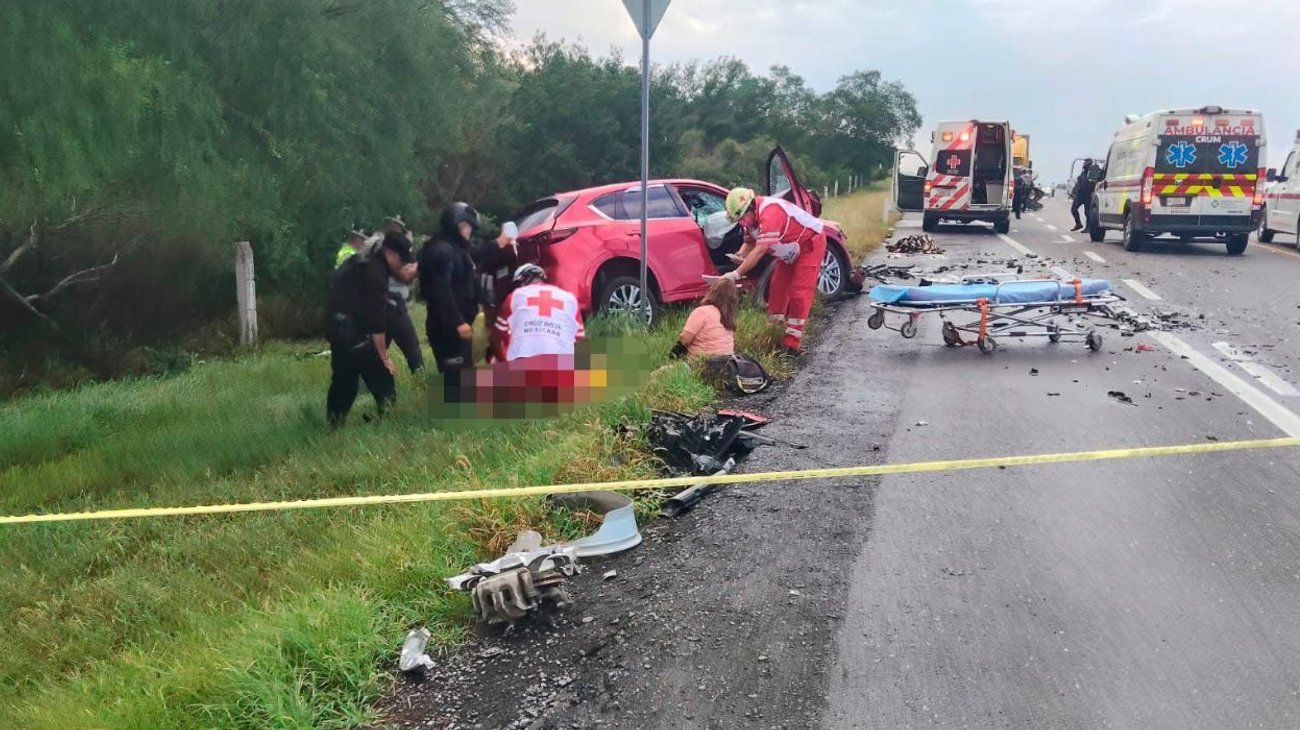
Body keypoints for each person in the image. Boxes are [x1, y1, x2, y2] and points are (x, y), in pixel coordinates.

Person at [720, 186, 825, 354]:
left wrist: (736, 274)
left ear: (751, 208)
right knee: (777, 288)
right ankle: (774, 331)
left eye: (742, 219)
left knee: (799, 292)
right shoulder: (751, 220)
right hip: (788, 249)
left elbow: (761, 250)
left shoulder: (771, 212)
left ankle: (792, 344)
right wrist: (739, 255)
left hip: (809, 244)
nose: (742, 223)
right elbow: (749, 243)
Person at [325, 233, 416, 426]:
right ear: (390, 253)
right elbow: (376, 321)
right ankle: (386, 424)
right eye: (401, 260)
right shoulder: (374, 273)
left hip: (337, 330)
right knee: (384, 383)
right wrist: (384, 357)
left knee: (344, 382)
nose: (402, 265)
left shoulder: (360, 262)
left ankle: (334, 424)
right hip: (356, 335)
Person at [418, 202, 483, 374]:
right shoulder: (443, 251)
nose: (469, 232)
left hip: (455, 328)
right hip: (448, 330)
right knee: (456, 381)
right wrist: (458, 322)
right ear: (459, 224)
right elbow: (441, 290)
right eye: (468, 227)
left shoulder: (454, 248)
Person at [492, 263, 584, 363]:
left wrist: (502, 359)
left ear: (522, 281)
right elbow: (580, 339)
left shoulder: (515, 296)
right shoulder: (570, 299)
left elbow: (496, 337)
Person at [378, 216, 423, 373]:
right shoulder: (385, 249)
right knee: (412, 348)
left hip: (385, 303)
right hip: (392, 304)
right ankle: (421, 383)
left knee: (378, 351)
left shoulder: (384, 245)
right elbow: (403, 275)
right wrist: (420, 265)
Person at [673, 277, 737, 358]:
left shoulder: (703, 312)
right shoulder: (729, 317)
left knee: (660, 370)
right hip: (728, 363)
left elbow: (685, 339)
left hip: (702, 363)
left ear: (712, 292)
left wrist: (674, 356)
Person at [1070, 159, 1097, 231]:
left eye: (1087, 163)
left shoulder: (1093, 172)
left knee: (1087, 212)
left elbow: (1093, 183)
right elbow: (1079, 183)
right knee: (1073, 209)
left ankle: (1088, 227)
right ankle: (1078, 224)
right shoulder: (1084, 173)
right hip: (1080, 194)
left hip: (1088, 195)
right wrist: (1074, 191)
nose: (1084, 164)